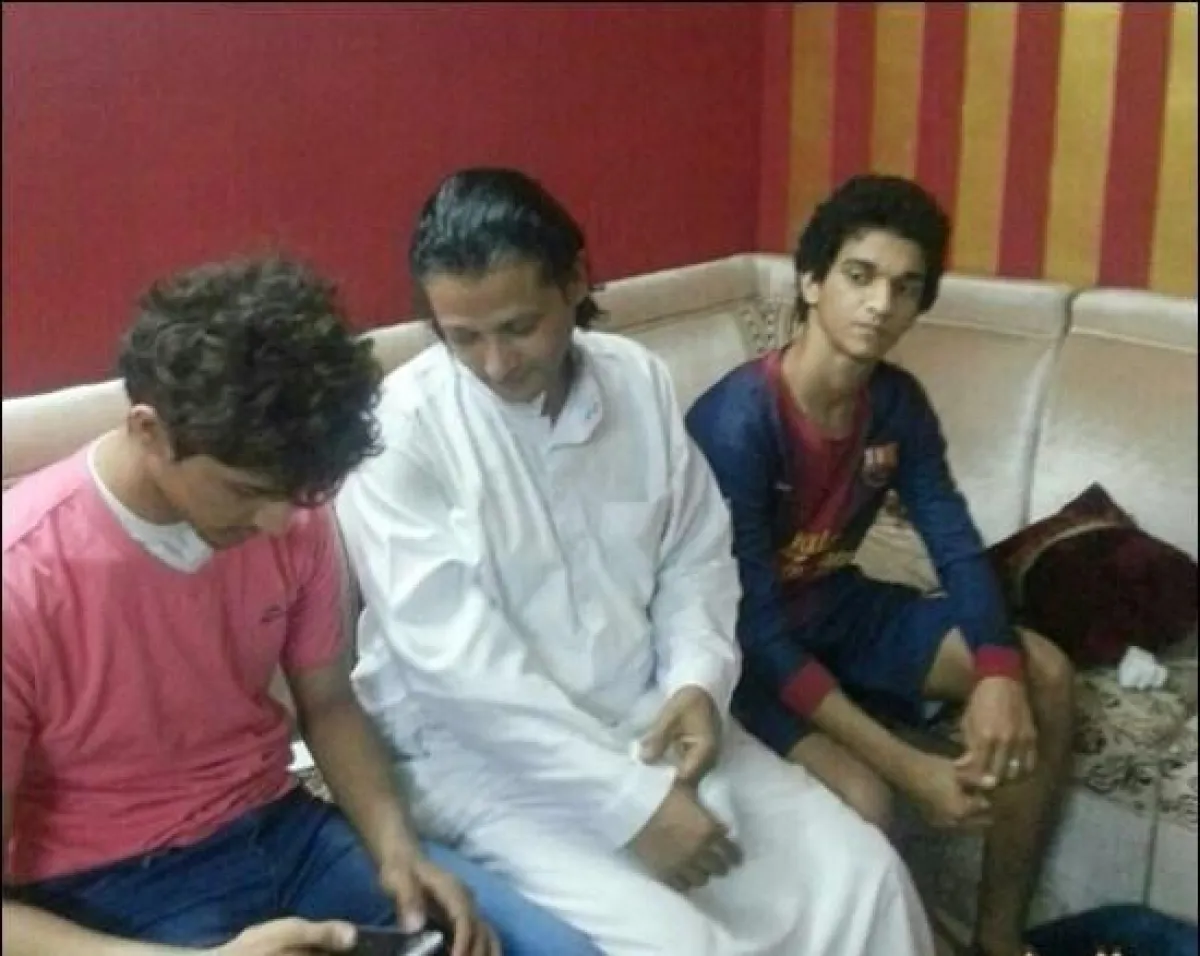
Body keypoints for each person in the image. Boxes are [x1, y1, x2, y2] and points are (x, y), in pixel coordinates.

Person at [334, 167, 935, 956]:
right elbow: (460, 674)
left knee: (864, 876)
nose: (496, 363)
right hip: (487, 766)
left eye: (518, 327)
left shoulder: (635, 379)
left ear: (575, 281)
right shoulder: (400, 432)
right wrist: (630, 805)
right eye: (463, 337)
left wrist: (697, 681)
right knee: (686, 948)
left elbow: (694, 554)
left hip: (648, 716)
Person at [1, 256, 599, 956]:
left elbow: (330, 703)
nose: (279, 522)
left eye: (298, 494)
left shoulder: (291, 508)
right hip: (111, 890)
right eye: (246, 491)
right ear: (148, 431)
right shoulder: (21, 580)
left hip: (288, 831)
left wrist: (396, 850)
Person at [685, 174, 1076, 956]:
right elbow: (756, 633)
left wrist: (998, 671)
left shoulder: (896, 402)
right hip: (745, 654)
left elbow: (954, 542)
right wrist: (910, 769)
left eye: (904, 287)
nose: (880, 304)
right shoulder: (738, 421)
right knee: (869, 798)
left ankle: (998, 939)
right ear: (811, 281)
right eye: (859, 276)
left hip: (839, 607)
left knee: (1046, 672)